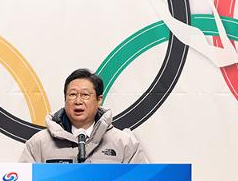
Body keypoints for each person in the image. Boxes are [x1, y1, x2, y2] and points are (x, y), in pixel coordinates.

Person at [19, 68, 147, 163]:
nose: (78, 101)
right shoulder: (39, 143)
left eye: (85, 95)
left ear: (99, 99)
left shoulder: (124, 142)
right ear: (65, 99)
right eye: (72, 95)